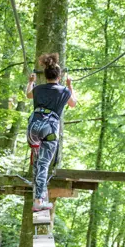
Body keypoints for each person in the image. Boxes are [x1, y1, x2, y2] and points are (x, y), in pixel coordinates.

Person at [25, 53, 77, 212]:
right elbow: (73, 103)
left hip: (33, 128)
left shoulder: (38, 89)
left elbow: (28, 94)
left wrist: (31, 82)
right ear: (59, 76)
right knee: (43, 165)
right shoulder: (63, 91)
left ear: (45, 75)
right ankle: (39, 200)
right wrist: (70, 87)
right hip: (49, 130)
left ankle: (37, 190)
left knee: (37, 157)